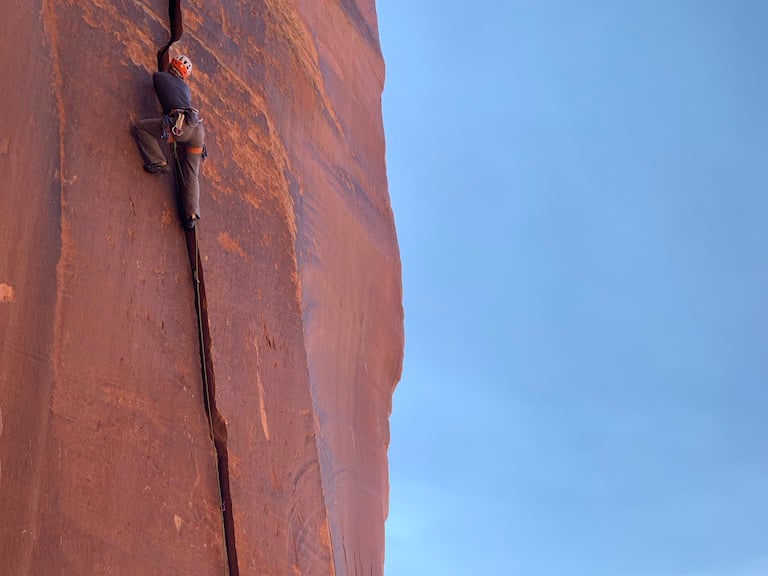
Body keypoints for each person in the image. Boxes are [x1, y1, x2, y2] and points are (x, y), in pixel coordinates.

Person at [133, 54, 205, 229]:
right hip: (198, 131)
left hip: (179, 126)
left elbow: (162, 88)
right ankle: (192, 215)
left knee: (141, 128)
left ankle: (158, 161)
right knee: (192, 172)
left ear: (172, 63)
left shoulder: (160, 77)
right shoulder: (186, 90)